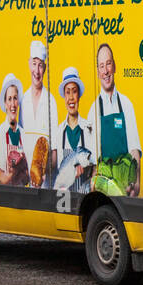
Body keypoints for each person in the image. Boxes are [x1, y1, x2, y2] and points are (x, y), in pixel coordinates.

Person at [84, 43, 141, 197]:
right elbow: (94, 162)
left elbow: (134, 150)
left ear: (114, 66)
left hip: (126, 188)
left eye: (108, 64)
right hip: (105, 188)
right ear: (97, 72)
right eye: (101, 66)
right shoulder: (94, 110)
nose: (106, 71)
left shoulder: (126, 104)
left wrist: (135, 184)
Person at [19, 39, 57, 187]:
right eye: (34, 64)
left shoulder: (50, 101)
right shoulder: (22, 100)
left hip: (46, 186)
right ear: (29, 64)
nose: (37, 70)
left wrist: (42, 170)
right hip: (25, 184)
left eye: (40, 65)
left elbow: (54, 154)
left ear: (45, 68)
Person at [51, 65, 94, 194]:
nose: (71, 98)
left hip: (86, 197)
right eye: (67, 92)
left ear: (79, 95)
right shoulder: (58, 132)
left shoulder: (89, 128)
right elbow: (56, 170)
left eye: (74, 91)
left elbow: (95, 166)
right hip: (64, 197)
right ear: (64, 96)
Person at [0, 73, 29, 187]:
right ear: (5, 104)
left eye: (15, 98)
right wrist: (19, 168)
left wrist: (14, 170)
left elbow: (27, 178)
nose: (13, 104)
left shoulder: (23, 134)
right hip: (6, 197)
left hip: (22, 196)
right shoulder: (0, 133)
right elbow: (3, 179)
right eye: (9, 99)